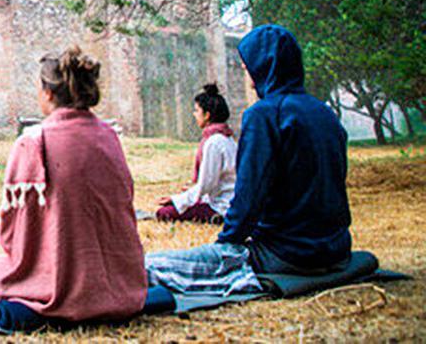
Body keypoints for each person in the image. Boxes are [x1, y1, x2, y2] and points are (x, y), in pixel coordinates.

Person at [146, 24, 352, 295]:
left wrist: (225, 245)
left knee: (149, 266)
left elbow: (249, 194)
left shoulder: (264, 115)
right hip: (336, 252)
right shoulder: (325, 114)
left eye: (249, 67)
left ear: (267, 65)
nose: (248, 75)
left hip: (287, 255)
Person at [0, 47, 146, 329]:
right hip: (122, 284)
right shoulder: (110, 137)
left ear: (47, 93)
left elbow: (14, 234)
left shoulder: (33, 141)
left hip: (62, 282)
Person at [156, 84, 236, 223]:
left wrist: (176, 200)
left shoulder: (214, 142)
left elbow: (207, 184)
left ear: (207, 115)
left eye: (197, 111)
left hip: (220, 205)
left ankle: (215, 218)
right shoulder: (228, 139)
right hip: (226, 198)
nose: (194, 114)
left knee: (163, 213)